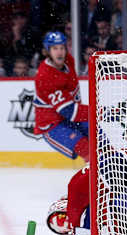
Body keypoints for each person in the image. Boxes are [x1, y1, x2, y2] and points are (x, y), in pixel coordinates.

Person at [33, 31, 89, 162]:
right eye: (55, 48)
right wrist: (99, 112)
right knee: (88, 150)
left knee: (101, 139)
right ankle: (96, 181)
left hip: (72, 117)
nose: (59, 52)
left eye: (62, 48)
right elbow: (69, 111)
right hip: (53, 125)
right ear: (47, 51)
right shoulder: (45, 76)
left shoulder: (69, 61)